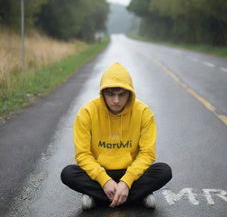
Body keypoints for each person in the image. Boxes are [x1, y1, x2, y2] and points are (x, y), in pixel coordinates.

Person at [61, 62, 172, 210]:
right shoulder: (86, 113)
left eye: (122, 94)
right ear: (103, 93)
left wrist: (126, 181)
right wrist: (105, 180)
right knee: (68, 173)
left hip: (131, 172)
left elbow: (147, 153)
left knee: (164, 171)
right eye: (110, 94)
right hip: (100, 172)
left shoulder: (144, 113)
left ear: (129, 93)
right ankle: (137, 196)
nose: (116, 100)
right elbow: (83, 154)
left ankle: (99, 197)